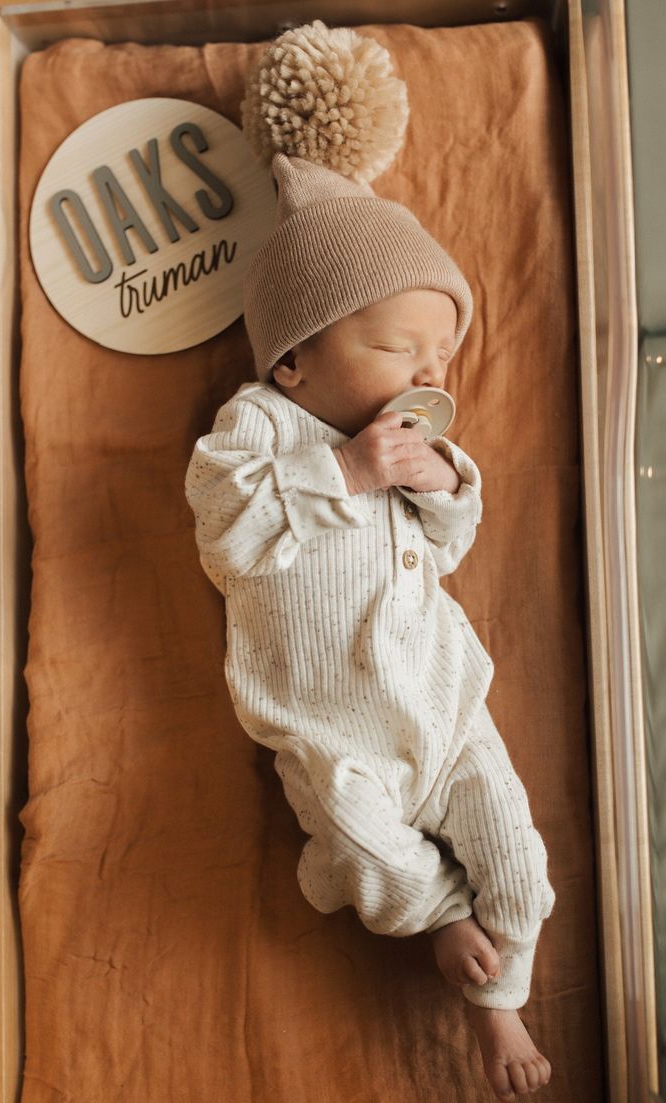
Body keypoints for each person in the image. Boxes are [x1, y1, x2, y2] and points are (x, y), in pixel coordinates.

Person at [184, 19, 555, 1101]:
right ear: (295, 358)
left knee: (522, 868)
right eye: (397, 347)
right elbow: (228, 536)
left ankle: (505, 1001)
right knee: (373, 853)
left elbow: (443, 550)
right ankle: (438, 925)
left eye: (439, 355)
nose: (426, 372)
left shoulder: (413, 450)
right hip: (335, 736)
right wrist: (344, 473)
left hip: (446, 709)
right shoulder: (256, 429)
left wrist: (444, 487)